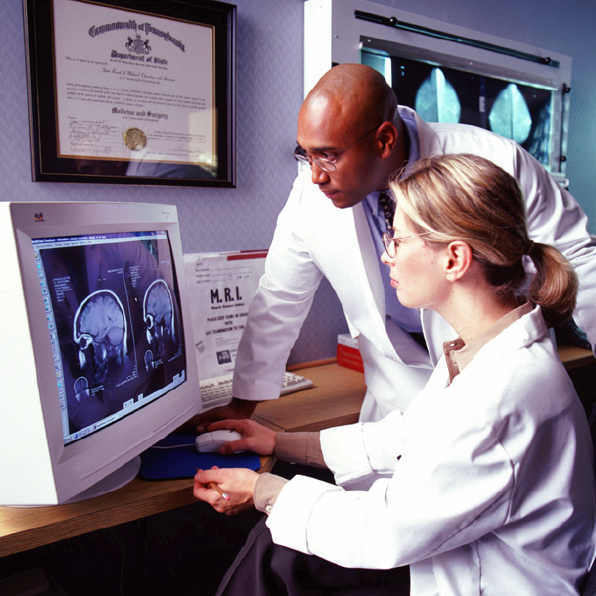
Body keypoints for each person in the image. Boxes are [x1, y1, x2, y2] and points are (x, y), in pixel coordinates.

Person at [194, 154, 596, 596]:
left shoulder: (500, 393)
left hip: (487, 581)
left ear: (454, 259)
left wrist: (263, 489)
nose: (387, 256)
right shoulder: (483, 350)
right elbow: (410, 436)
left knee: (278, 549)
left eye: (398, 241)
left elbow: (386, 530)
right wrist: (279, 443)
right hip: (454, 558)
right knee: (283, 549)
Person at [188, 63, 596, 429]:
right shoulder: (310, 196)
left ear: (384, 140)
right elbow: (278, 299)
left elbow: (579, 261)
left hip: (495, 380)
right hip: (397, 397)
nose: (314, 176)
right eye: (305, 155)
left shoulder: (493, 160)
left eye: (328, 156)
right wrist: (243, 405)